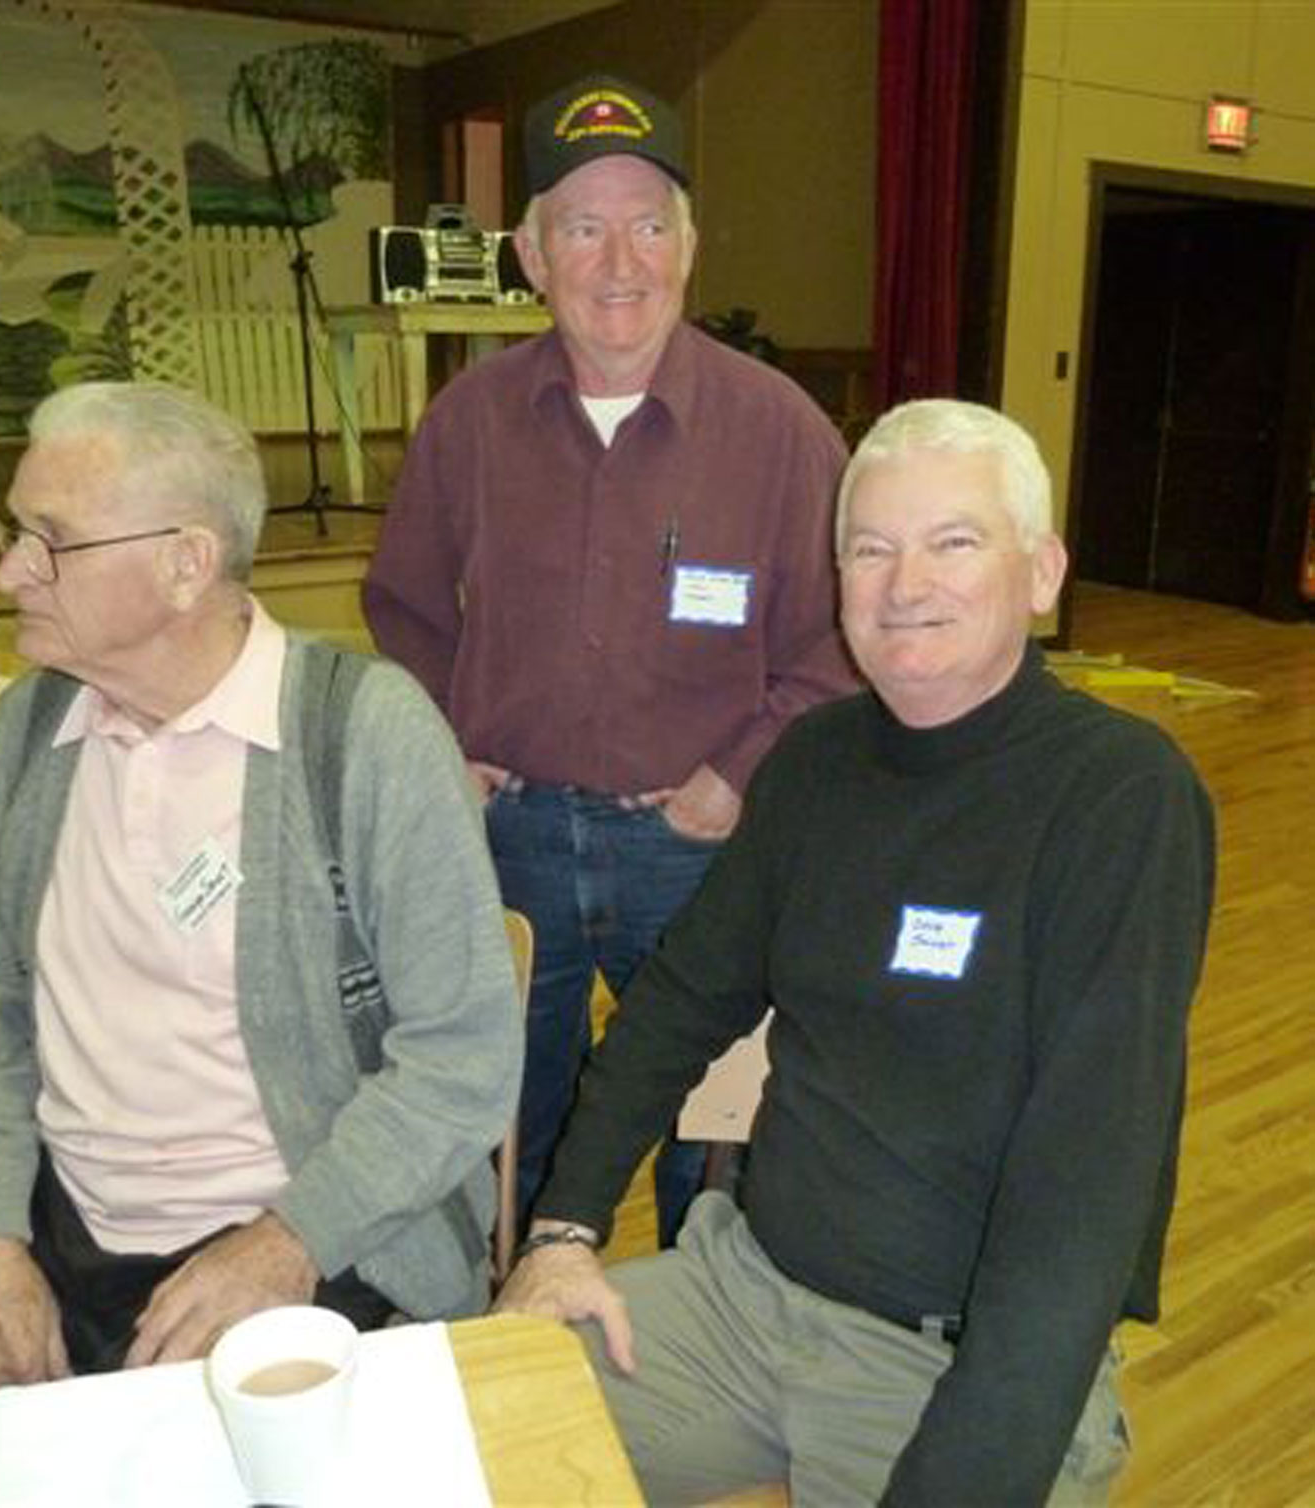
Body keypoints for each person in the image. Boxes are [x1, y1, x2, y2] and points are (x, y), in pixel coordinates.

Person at [0, 382, 523, 1433]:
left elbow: (465, 1056)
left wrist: (286, 1241)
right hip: (56, 1207)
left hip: (301, 1221)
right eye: (14, 532)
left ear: (186, 563)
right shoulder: (23, 737)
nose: (4, 572)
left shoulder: (365, 739)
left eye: (50, 541)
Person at [497, 399, 1215, 1506]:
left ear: (1042, 571)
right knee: (456, 1425)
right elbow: (682, 1002)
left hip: (953, 1362)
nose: (903, 583)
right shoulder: (814, 761)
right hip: (745, 1294)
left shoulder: (1121, 795)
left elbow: (1086, 1194)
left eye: (954, 542)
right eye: (869, 549)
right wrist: (562, 1227)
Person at [362, 74, 856, 1246]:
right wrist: (444, 743)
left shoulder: (781, 430)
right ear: (532, 252)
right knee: (503, 1112)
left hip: (696, 849)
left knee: (711, 1118)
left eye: (648, 223)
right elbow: (404, 605)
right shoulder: (469, 423)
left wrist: (738, 771)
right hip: (510, 840)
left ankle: (698, 1321)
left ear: (689, 246)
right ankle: (517, 1331)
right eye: (583, 226)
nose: (618, 259)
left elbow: (840, 637)